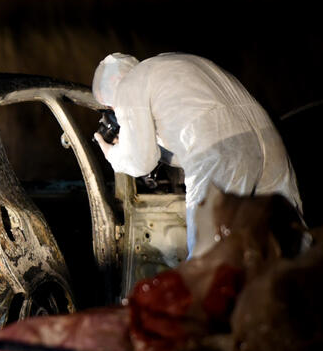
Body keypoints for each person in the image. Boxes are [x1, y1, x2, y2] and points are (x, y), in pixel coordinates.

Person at [91, 52, 303, 257]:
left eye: (110, 106)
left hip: (221, 153)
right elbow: (191, 134)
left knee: (207, 252)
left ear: (114, 87)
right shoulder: (172, 62)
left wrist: (113, 154)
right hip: (268, 140)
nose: (114, 110)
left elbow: (141, 162)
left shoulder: (129, 85)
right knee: (291, 239)